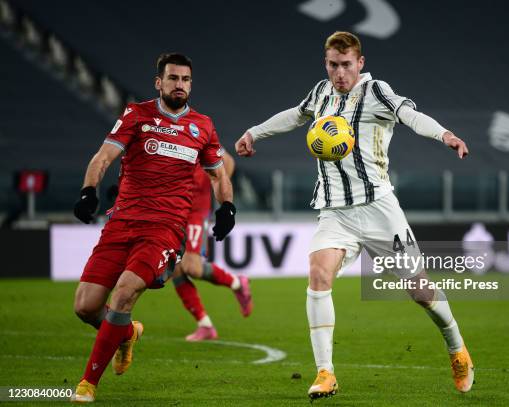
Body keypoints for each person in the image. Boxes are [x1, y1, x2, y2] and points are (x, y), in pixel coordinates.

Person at [235, 31, 473, 400]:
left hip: (379, 208)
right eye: (333, 65)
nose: (340, 72)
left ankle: (457, 348)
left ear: (360, 63)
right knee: (318, 274)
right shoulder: (321, 93)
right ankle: (325, 372)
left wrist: (445, 135)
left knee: (421, 291)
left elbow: (410, 115)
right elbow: (296, 116)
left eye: (346, 65)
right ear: (326, 64)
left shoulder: (376, 92)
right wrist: (254, 133)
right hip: (335, 211)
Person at [71, 53, 236, 402]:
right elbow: (102, 158)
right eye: (173, 78)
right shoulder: (136, 114)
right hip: (122, 222)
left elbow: (219, 172)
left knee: (124, 293)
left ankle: (87, 384)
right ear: (158, 83)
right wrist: (88, 191)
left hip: (164, 228)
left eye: (186, 79)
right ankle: (127, 333)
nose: (180, 85)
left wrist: (227, 208)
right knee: (86, 307)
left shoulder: (202, 125)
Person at [172, 158, 253, 341]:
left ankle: (237, 282)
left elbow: (229, 163)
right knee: (176, 267)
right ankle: (205, 324)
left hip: (195, 211)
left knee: (192, 267)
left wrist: (216, 188)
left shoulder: (200, 133)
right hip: (174, 210)